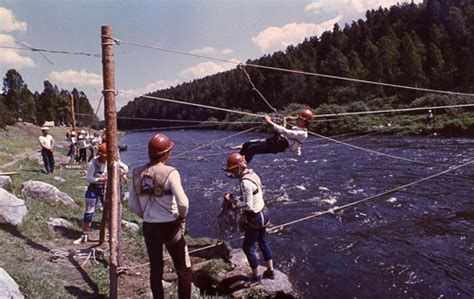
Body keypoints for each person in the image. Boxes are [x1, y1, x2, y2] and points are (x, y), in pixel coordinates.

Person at [128, 133, 192, 299]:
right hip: (170, 226)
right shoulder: (171, 173)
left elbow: (132, 205)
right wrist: (181, 217)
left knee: (156, 268)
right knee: (183, 269)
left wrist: (147, 216)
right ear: (166, 154)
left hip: (149, 226)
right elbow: (183, 203)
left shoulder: (136, 173)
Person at [223, 153, 274, 284]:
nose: (232, 173)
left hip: (255, 217)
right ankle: (270, 270)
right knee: (263, 242)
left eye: (232, 170)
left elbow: (248, 205)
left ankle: (256, 276)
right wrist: (239, 199)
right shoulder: (253, 174)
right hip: (264, 212)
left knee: (248, 247)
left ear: (238, 168)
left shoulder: (245, 182)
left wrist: (233, 201)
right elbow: (256, 195)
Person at [74, 143, 129, 244]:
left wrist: (123, 172)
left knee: (109, 213)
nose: (105, 158)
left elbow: (125, 167)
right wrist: (101, 179)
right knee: (89, 213)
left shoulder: (113, 160)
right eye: (104, 156)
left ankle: (109, 235)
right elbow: (89, 178)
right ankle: (84, 234)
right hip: (94, 189)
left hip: (106, 190)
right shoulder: (94, 163)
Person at [239, 108, 314, 164]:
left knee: (252, 149)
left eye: (299, 118)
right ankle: (236, 162)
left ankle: (241, 168)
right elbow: (284, 132)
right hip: (276, 140)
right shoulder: (296, 128)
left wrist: (269, 122)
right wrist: (285, 121)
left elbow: (285, 132)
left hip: (278, 146)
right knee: (246, 144)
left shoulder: (303, 134)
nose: (297, 119)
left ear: (305, 122)